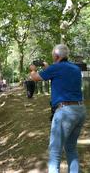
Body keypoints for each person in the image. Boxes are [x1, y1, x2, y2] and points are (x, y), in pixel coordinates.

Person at [30, 44, 86, 173]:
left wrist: (33, 69)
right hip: (80, 110)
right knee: (71, 148)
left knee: (55, 151)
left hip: (65, 111)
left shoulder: (55, 68)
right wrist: (46, 66)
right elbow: (59, 74)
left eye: (52, 55)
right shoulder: (75, 68)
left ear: (56, 56)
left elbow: (36, 78)